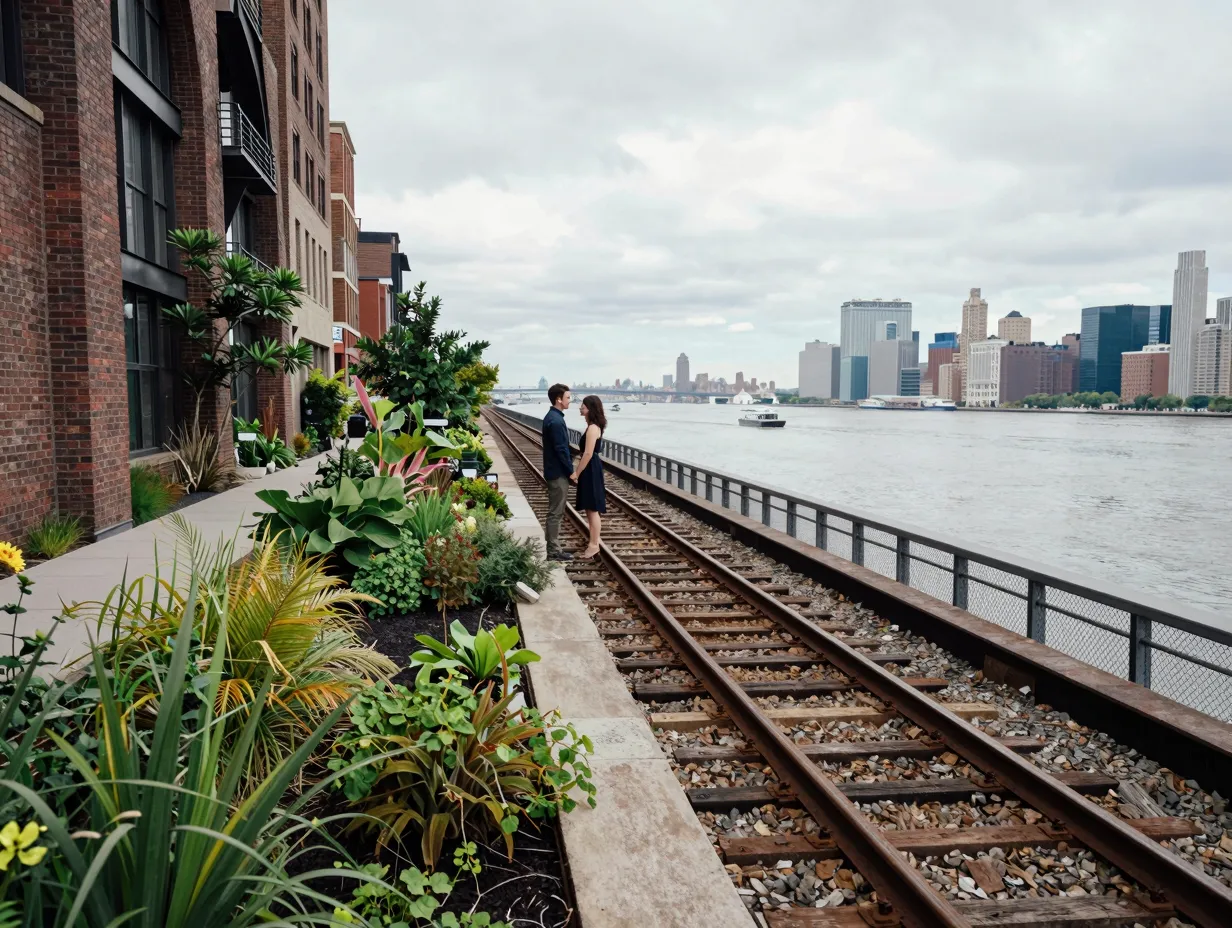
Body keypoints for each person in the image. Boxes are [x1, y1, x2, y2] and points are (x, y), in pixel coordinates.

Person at [571, 395, 607, 558]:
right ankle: (593, 542)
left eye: (583, 406)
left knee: (592, 508)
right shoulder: (592, 426)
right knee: (589, 507)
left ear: (590, 409)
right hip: (591, 468)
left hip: (591, 468)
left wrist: (576, 473)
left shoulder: (593, 428)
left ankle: (594, 544)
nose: (580, 408)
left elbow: (588, 453)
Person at [542, 383, 573, 561]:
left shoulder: (553, 417)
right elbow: (561, 449)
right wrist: (571, 471)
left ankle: (553, 548)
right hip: (558, 473)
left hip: (554, 470)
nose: (570, 401)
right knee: (556, 512)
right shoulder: (555, 420)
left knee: (555, 511)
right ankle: (553, 551)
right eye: (568, 398)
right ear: (558, 399)